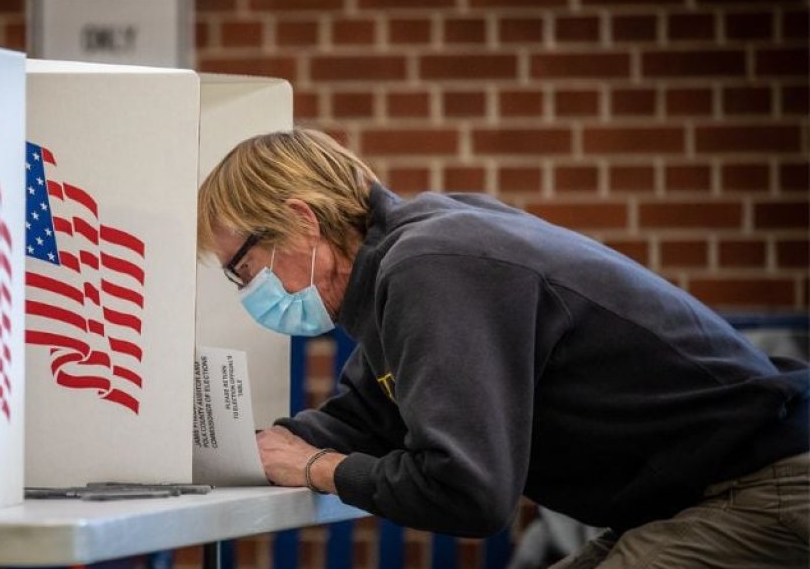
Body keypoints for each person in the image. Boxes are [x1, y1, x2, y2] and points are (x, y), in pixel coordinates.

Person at [196, 128, 809, 568]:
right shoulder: (401, 266)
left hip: (762, 486)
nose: (250, 289)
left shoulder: (429, 267)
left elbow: (468, 491)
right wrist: (235, 452)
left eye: (245, 266)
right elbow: (362, 420)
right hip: (690, 497)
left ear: (303, 221)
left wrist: (312, 468)